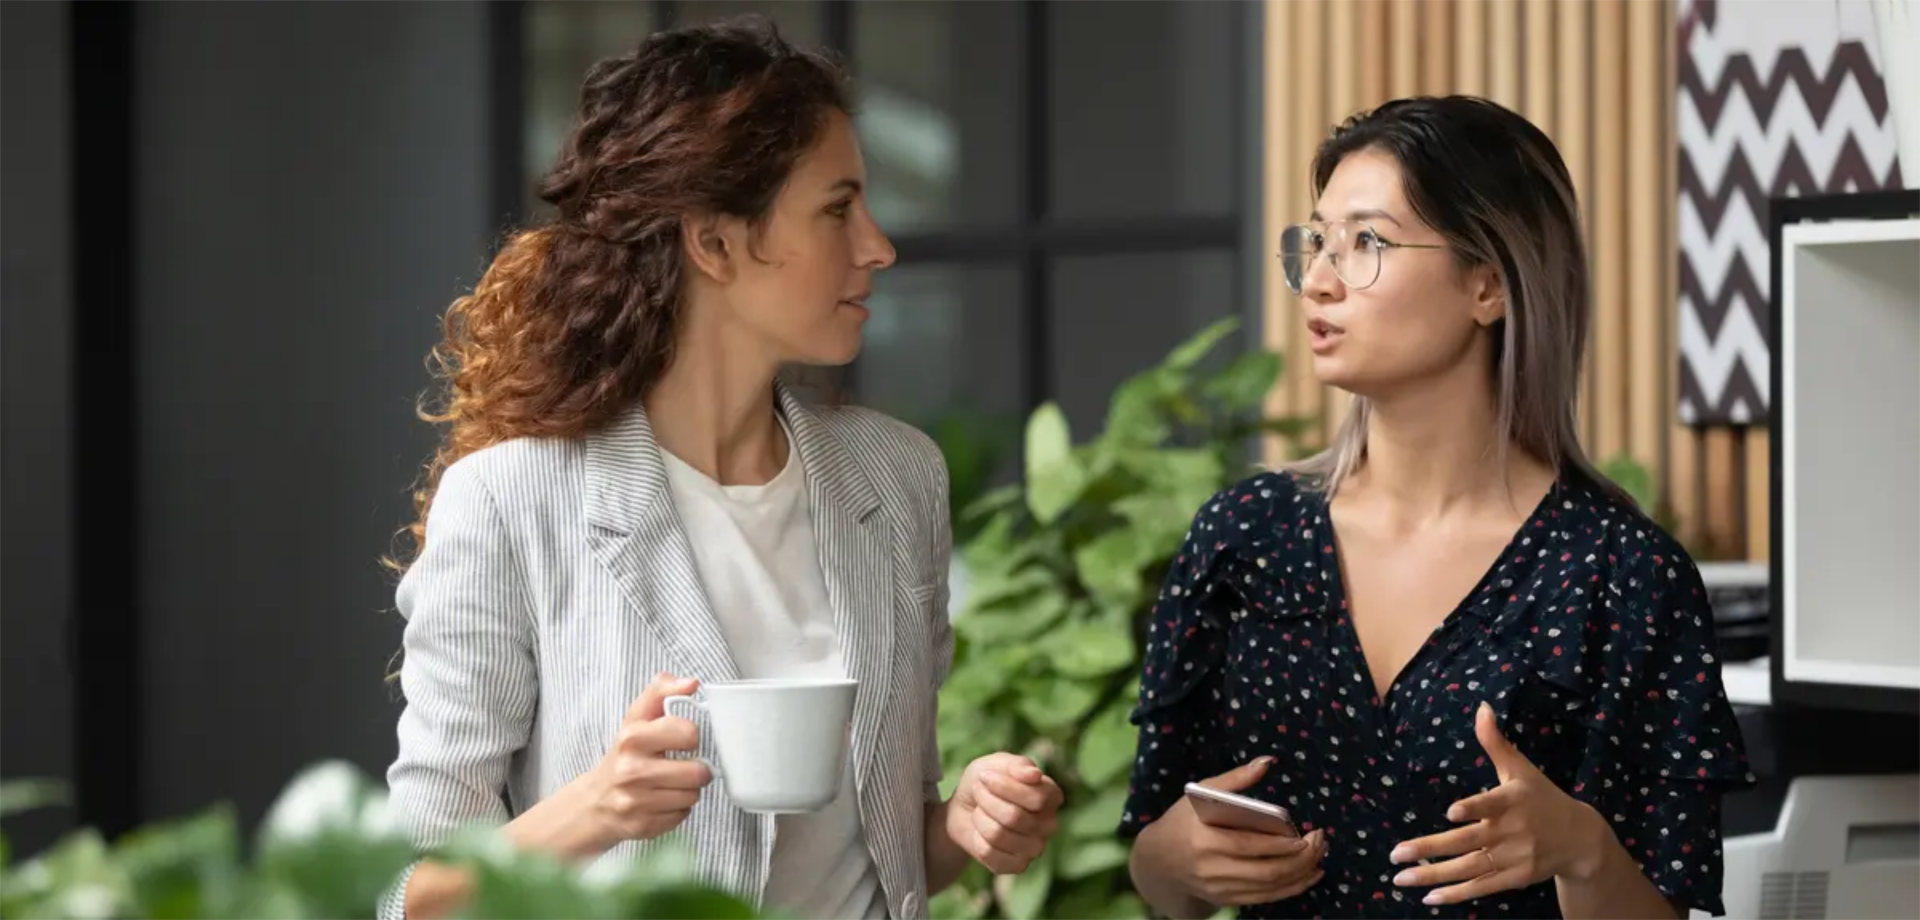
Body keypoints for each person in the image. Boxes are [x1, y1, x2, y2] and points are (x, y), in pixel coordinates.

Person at [378, 18, 1063, 920]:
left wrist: (966, 823)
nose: (878, 246)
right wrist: (593, 811)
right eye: (836, 208)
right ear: (714, 243)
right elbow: (409, 895)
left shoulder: (898, 480)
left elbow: (889, 853)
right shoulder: (510, 501)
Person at [1119, 95, 1755, 920]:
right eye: (1316, 243)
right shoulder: (1244, 538)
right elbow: (1158, 872)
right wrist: (1172, 859)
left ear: (1488, 284)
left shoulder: (1623, 573)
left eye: (1367, 244)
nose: (1318, 279)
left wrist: (1581, 850)